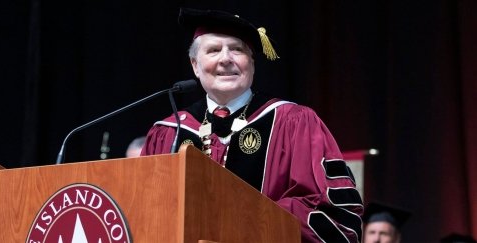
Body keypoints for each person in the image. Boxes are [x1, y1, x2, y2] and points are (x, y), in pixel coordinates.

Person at [141, 7, 363, 242]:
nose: (226, 59)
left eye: (237, 50)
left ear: (252, 63)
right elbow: (145, 214)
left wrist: (246, 220)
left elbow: (333, 213)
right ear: (195, 65)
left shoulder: (293, 123)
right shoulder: (168, 133)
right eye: (214, 50)